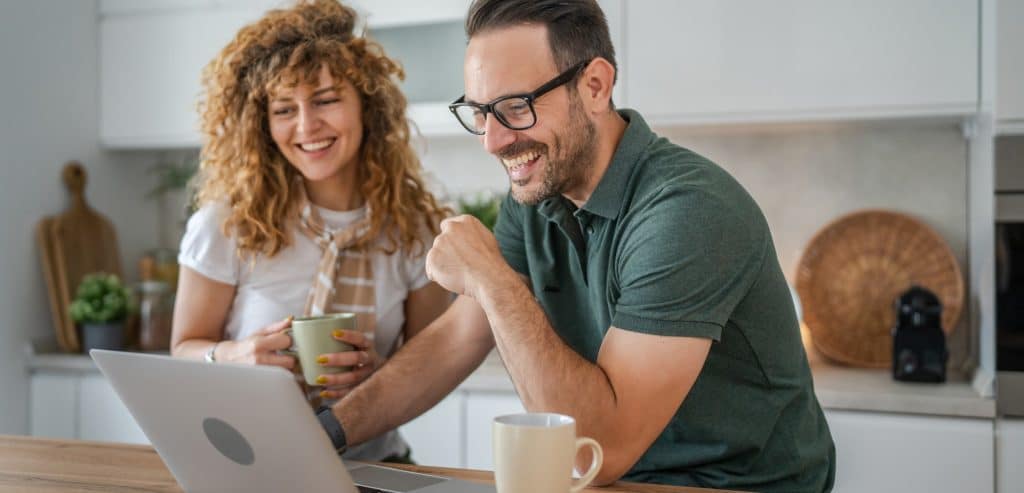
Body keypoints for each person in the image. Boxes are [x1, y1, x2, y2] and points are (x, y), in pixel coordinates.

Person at [323, 0, 836, 490]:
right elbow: (459, 338)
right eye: (481, 112)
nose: (493, 141)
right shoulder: (537, 193)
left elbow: (600, 449)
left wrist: (492, 278)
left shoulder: (686, 210)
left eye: (515, 107)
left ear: (594, 85)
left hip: (736, 488)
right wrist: (326, 433)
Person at [168, 0, 451, 463]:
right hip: (250, 464)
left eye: (325, 100)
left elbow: (433, 363)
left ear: (367, 105)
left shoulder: (416, 230)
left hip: (376, 466)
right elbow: (183, 350)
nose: (306, 126)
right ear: (262, 123)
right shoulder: (226, 226)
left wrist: (377, 378)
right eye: (283, 109)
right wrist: (235, 356)